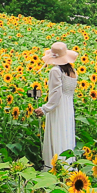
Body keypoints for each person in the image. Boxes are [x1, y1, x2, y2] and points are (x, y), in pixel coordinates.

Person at [36, 40, 79, 169]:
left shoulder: (55, 71)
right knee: (65, 135)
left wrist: (44, 109)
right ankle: (67, 167)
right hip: (68, 108)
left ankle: (55, 167)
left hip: (58, 108)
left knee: (57, 135)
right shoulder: (73, 71)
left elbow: (56, 94)